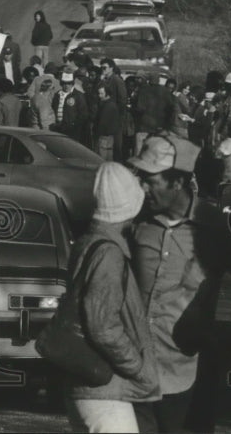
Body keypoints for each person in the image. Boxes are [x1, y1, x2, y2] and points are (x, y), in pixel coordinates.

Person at [128, 133, 218, 433]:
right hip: (133, 369)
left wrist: (228, 347)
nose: (142, 186)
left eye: (150, 179)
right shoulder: (135, 221)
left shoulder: (213, 227)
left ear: (177, 182)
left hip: (182, 376)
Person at [62, 162, 160, 432]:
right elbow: (102, 325)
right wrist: (136, 366)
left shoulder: (88, 243)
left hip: (85, 384)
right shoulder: (109, 253)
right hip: (104, 389)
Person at [51, 72, 89, 146]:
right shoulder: (57, 94)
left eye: (69, 83)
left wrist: (75, 125)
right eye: (64, 83)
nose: (66, 85)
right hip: (58, 128)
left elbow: (83, 114)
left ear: (72, 84)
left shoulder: (78, 95)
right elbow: (53, 108)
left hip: (72, 130)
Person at [95, 84, 121, 160]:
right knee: (108, 156)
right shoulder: (111, 104)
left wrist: (97, 132)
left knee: (101, 157)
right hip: (110, 136)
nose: (99, 95)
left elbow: (102, 123)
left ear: (107, 94)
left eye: (101, 93)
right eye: (99, 93)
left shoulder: (107, 106)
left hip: (104, 136)